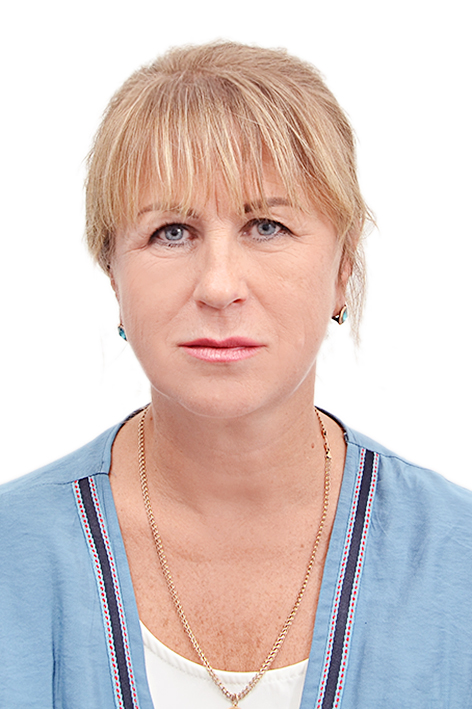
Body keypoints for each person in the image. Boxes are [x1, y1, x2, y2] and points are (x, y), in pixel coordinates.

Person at [1, 41, 472, 709]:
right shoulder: (12, 559)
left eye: (267, 226)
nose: (219, 286)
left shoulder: (456, 557)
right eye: (171, 232)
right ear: (113, 274)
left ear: (343, 268)